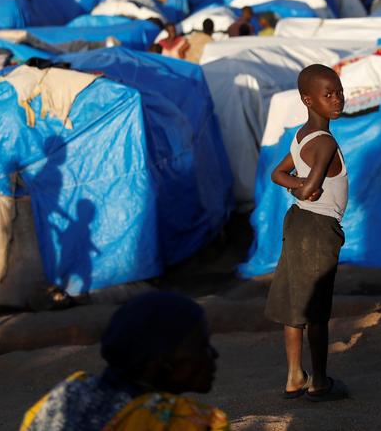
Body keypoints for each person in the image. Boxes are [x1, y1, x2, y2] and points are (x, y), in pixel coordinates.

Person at [20, 292, 228, 431]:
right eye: (202, 346)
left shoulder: (64, 397)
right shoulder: (184, 422)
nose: (213, 354)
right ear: (159, 362)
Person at [265, 64, 349, 402]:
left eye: (339, 92)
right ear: (308, 99)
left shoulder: (301, 136)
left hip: (297, 223)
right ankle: (320, 382)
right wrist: (304, 188)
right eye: (328, 95)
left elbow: (278, 173)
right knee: (316, 310)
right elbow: (310, 189)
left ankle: (294, 376)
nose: (337, 100)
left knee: (294, 305)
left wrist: (296, 185)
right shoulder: (325, 142)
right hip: (317, 228)